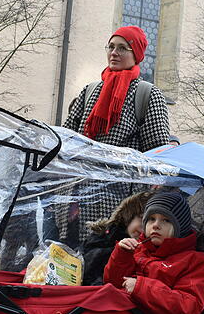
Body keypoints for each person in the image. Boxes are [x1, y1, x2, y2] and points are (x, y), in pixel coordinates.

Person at [60, 25, 170, 247]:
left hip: (120, 205)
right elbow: (67, 139)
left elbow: (158, 152)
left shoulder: (147, 94)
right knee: (72, 265)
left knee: (106, 263)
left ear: (136, 54)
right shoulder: (90, 91)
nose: (114, 53)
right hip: (77, 200)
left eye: (122, 48)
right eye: (111, 47)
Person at [103, 191, 204, 314]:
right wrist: (121, 255)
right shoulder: (138, 249)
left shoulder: (196, 261)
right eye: (151, 219)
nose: (155, 225)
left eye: (166, 220)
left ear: (180, 227)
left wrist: (141, 288)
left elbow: (187, 307)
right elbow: (111, 284)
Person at [81, 190, 153, 286]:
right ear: (129, 216)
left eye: (150, 223)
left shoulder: (140, 254)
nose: (144, 229)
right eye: (142, 220)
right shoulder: (101, 234)